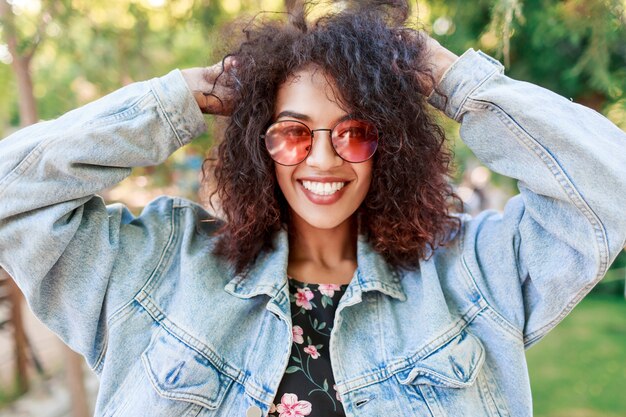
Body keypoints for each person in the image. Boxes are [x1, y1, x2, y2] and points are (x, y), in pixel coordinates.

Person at [0, 1, 624, 416]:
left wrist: (461, 85)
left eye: (354, 132)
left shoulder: (473, 273)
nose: (323, 160)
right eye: (293, 132)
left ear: (391, 146)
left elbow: (608, 186)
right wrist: (179, 98)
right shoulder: (158, 269)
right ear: (258, 145)